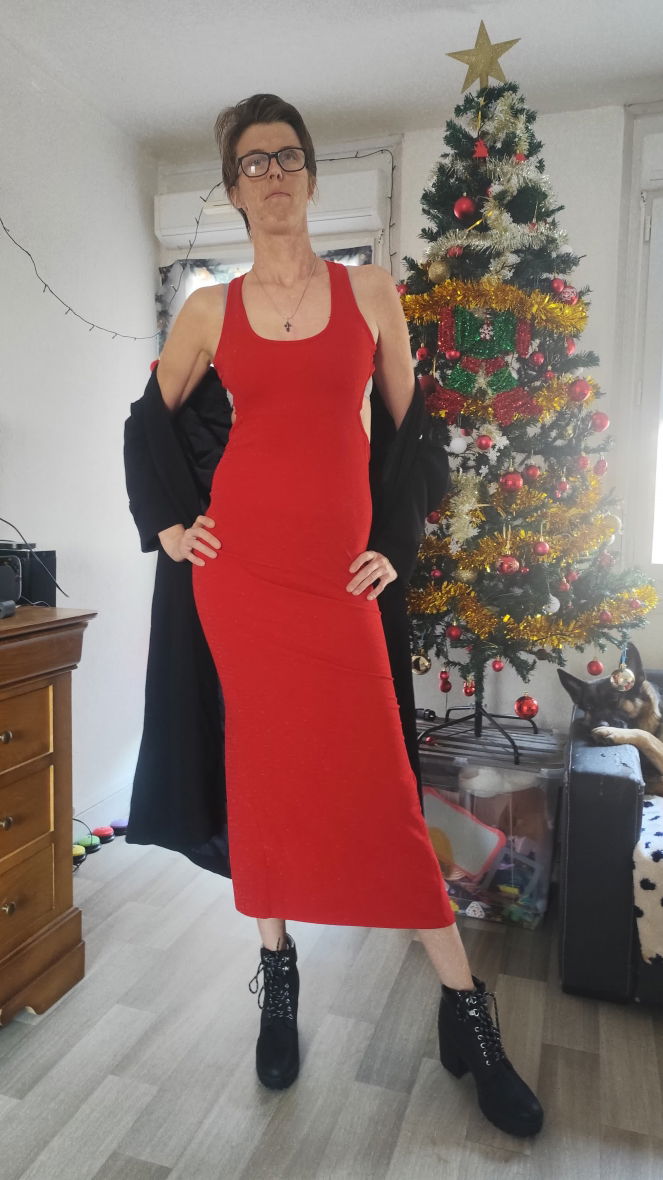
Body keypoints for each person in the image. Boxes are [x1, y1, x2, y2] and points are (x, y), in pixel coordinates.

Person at [152, 93, 543, 1138]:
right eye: (253, 162)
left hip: (340, 586)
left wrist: (397, 546)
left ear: (312, 175)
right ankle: (278, 976)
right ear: (234, 189)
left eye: (287, 157)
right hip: (243, 582)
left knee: (380, 790)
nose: (273, 174)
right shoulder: (207, 308)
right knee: (265, 778)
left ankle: (467, 1010)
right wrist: (171, 524)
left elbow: (413, 435)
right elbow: (152, 417)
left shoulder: (370, 292)